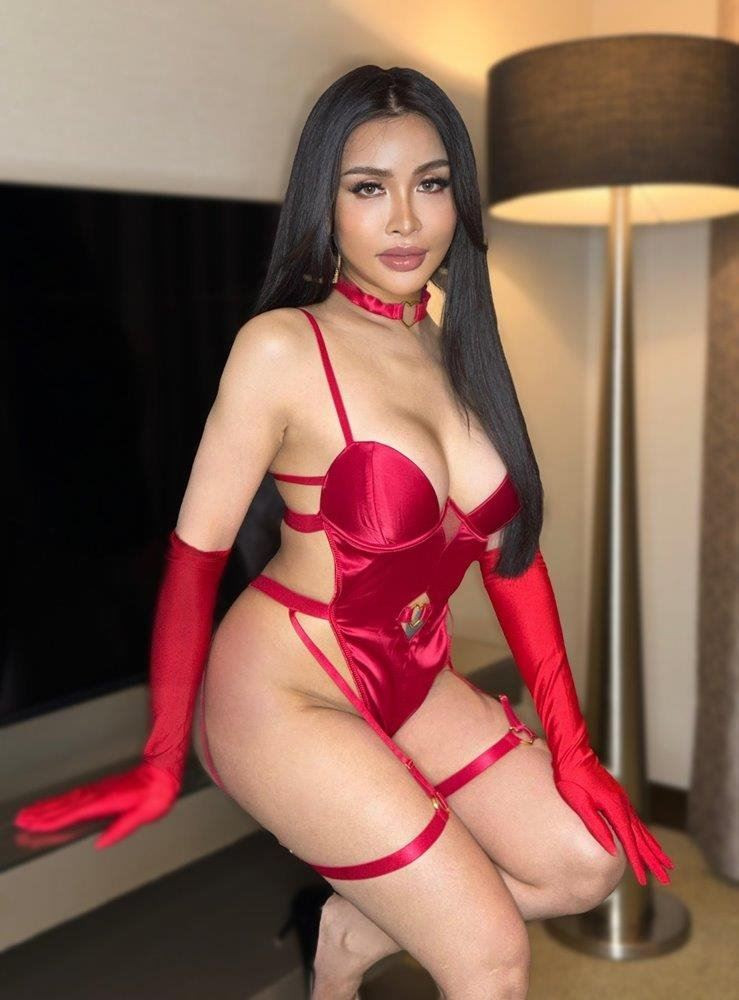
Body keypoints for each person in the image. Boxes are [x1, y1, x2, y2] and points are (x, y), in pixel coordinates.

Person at [14, 65, 674, 1000]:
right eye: (368, 188)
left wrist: (573, 750)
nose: (404, 220)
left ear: (459, 196)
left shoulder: (458, 349)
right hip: (284, 691)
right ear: (325, 204)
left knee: (586, 862)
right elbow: (195, 559)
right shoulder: (282, 346)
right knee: (489, 960)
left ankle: (356, 927)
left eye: (430, 184)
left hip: (410, 674)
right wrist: (161, 759)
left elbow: (512, 565)